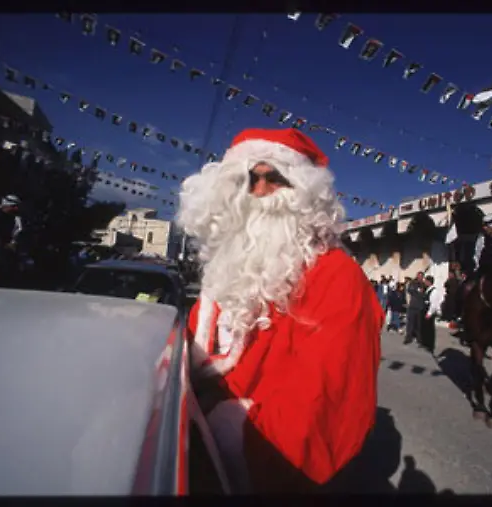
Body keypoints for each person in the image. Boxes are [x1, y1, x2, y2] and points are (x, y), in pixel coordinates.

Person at [178, 127, 384, 493]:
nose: (259, 191)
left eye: (274, 177)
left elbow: (321, 404)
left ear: (304, 194)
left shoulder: (337, 276)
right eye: (247, 178)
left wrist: (232, 437)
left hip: (256, 469)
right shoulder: (225, 270)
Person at [0, 194, 24, 287]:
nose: (16, 208)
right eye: (13, 206)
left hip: (8, 242)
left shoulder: (16, 215)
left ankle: (7, 281)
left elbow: (19, 228)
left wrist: (13, 241)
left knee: (8, 262)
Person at [405, 272, 426, 346]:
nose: (419, 277)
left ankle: (419, 339)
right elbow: (410, 290)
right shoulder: (413, 283)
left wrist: (421, 293)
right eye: (418, 276)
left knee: (419, 324)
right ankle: (408, 338)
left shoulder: (424, 284)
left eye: (421, 276)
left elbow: (425, 294)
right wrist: (417, 291)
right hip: (413, 305)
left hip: (420, 306)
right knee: (410, 323)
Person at [421, 276, 440, 354]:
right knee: (425, 328)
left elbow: (433, 304)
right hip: (425, 310)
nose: (425, 283)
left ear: (429, 282)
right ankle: (425, 343)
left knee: (430, 330)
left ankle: (430, 346)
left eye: (426, 281)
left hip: (429, 312)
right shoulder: (427, 290)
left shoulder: (434, 291)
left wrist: (429, 313)